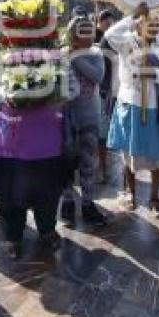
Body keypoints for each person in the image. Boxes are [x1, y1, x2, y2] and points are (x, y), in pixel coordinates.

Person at [0, 23, 79, 260]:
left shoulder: (56, 59)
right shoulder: (1, 58)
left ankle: (47, 231)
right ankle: (13, 237)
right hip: (9, 142)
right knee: (8, 194)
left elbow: (73, 88)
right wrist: (6, 95)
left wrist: (54, 95)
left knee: (48, 191)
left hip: (46, 140)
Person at [106, 4, 159, 212]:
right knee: (129, 154)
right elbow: (110, 33)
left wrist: (155, 74)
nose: (150, 26)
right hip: (130, 104)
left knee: (157, 156)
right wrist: (133, 15)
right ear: (138, 25)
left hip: (155, 107)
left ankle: (155, 195)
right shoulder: (126, 42)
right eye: (144, 22)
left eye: (154, 24)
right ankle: (131, 193)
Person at [60, 17, 107, 227]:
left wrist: (75, 57)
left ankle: (88, 204)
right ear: (73, 35)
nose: (88, 37)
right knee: (66, 162)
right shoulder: (62, 53)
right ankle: (68, 203)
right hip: (64, 117)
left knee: (88, 163)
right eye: (82, 32)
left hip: (88, 116)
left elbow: (97, 76)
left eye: (89, 32)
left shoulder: (96, 54)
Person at [95, 9, 117, 182]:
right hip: (100, 93)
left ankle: (103, 167)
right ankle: (101, 168)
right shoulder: (102, 42)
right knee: (101, 136)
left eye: (112, 24)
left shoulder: (114, 41)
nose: (109, 27)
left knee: (104, 135)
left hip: (110, 92)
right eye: (107, 24)